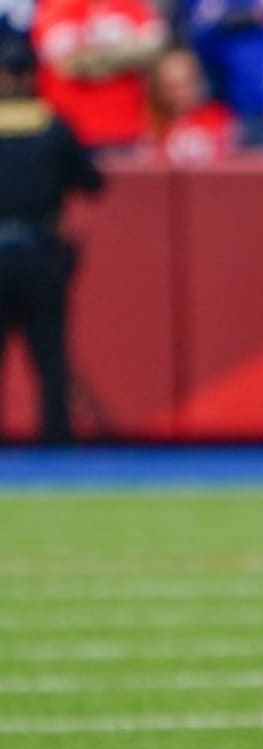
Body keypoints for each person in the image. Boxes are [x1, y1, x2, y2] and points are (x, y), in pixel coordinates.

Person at [0, 36, 104, 445]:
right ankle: (56, 441)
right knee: (49, 353)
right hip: (39, 249)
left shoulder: (52, 126)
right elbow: (92, 182)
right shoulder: (53, 127)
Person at [30, 0, 166, 151]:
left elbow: (154, 50)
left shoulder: (132, 4)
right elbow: (68, 65)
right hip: (70, 132)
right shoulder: (57, 6)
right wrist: (125, 55)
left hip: (126, 129)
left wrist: (94, 60)